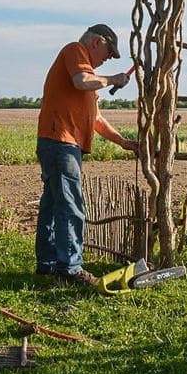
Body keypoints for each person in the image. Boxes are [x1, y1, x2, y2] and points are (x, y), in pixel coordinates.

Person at [35, 24, 138, 286]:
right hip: (60, 142)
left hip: (59, 143)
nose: (107, 59)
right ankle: (70, 269)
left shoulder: (88, 75)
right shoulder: (75, 51)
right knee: (70, 206)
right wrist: (113, 80)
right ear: (96, 42)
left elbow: (96, 119)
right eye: (108, 51)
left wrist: (124, 143)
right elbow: (81, 82)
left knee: (53, 204)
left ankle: (48, 265)